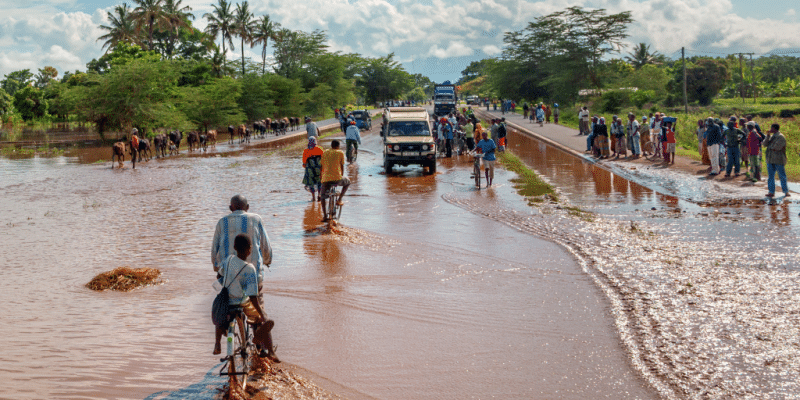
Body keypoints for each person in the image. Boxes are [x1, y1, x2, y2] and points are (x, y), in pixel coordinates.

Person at [213, 234, 279, 362]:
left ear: (234, 247)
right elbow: (252, 296)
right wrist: (262, 313)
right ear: (250, 249)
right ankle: (259, 341)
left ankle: (217, 343)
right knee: (261, 317)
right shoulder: (249, 269)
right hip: (241, 302)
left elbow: (218, 275)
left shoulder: (229, 260)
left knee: (218, 314)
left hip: (226, 300)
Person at [212, 195, 273, 288]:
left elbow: (214, 249)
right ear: (247, 207)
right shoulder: (256, 219)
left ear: (230, 208)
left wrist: (217, 269)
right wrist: (267, 262)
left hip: (228, 278)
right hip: (254, 277)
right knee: (257, 298)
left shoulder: (222, 222)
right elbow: (265, 246)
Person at [320, 140, 350, 221]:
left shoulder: (325, 152)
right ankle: (339, 199)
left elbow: (321, 166)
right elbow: (342, 166)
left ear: (331, 145)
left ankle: (325, 216)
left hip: (325, 179)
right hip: (337, 178)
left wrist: (321, 177)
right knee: (348, 182)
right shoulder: (340, 152)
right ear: (338, 146)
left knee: (322, 196)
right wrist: (341, 175)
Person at [764, 123, 789, 198]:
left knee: (782, 176)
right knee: (770, 176)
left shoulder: (780, 137)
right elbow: (764, 144)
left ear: (774, 129)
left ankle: (786, 191)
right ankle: (771, 192)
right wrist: (767, 136)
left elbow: (777, 147)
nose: (770, 130)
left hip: (778, 159)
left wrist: (770, 145)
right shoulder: (771, 137)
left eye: (771, 128)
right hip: (770, 159)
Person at [302, 137, 324, 201]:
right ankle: (319, 195)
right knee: (320, 182)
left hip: (310, 171)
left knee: (311, 183)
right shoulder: (320, 149)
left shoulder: (306, 151)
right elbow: (323, 159)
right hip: (319, 170)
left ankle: (313, 197)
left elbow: (304, 162)